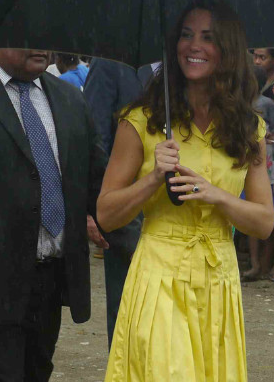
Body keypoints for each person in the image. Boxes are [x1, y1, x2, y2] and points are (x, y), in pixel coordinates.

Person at [96, 0, 274, 380]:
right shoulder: (141, 120)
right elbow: (108, 215)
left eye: (208, 37)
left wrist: (217, 195)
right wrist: (152, 178)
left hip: (219, 280)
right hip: (160, 274)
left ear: (227, 49)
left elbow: (263, 223)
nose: (193, 46)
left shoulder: (249, 128)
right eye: (186, 35)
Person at [0, 48, 107, 381]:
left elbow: (98, 179)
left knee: (36, 372)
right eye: (30, 32)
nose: (42, 45)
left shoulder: (68, 98)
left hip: (49, 282)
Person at [82, 58, 155, 347]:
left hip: (174, 213)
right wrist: (94, 209)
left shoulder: (185, 63)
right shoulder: (111, 64)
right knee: (130, 312)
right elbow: (94, 138)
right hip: (126, 211)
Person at [243, 66, 274, 281]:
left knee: (270, 215)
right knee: (248, 213)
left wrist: (270, 136)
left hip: (267, 166)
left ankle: (272, 262)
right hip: (244, 165)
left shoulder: (266, 104)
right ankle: (255, 264)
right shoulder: (237, 103)